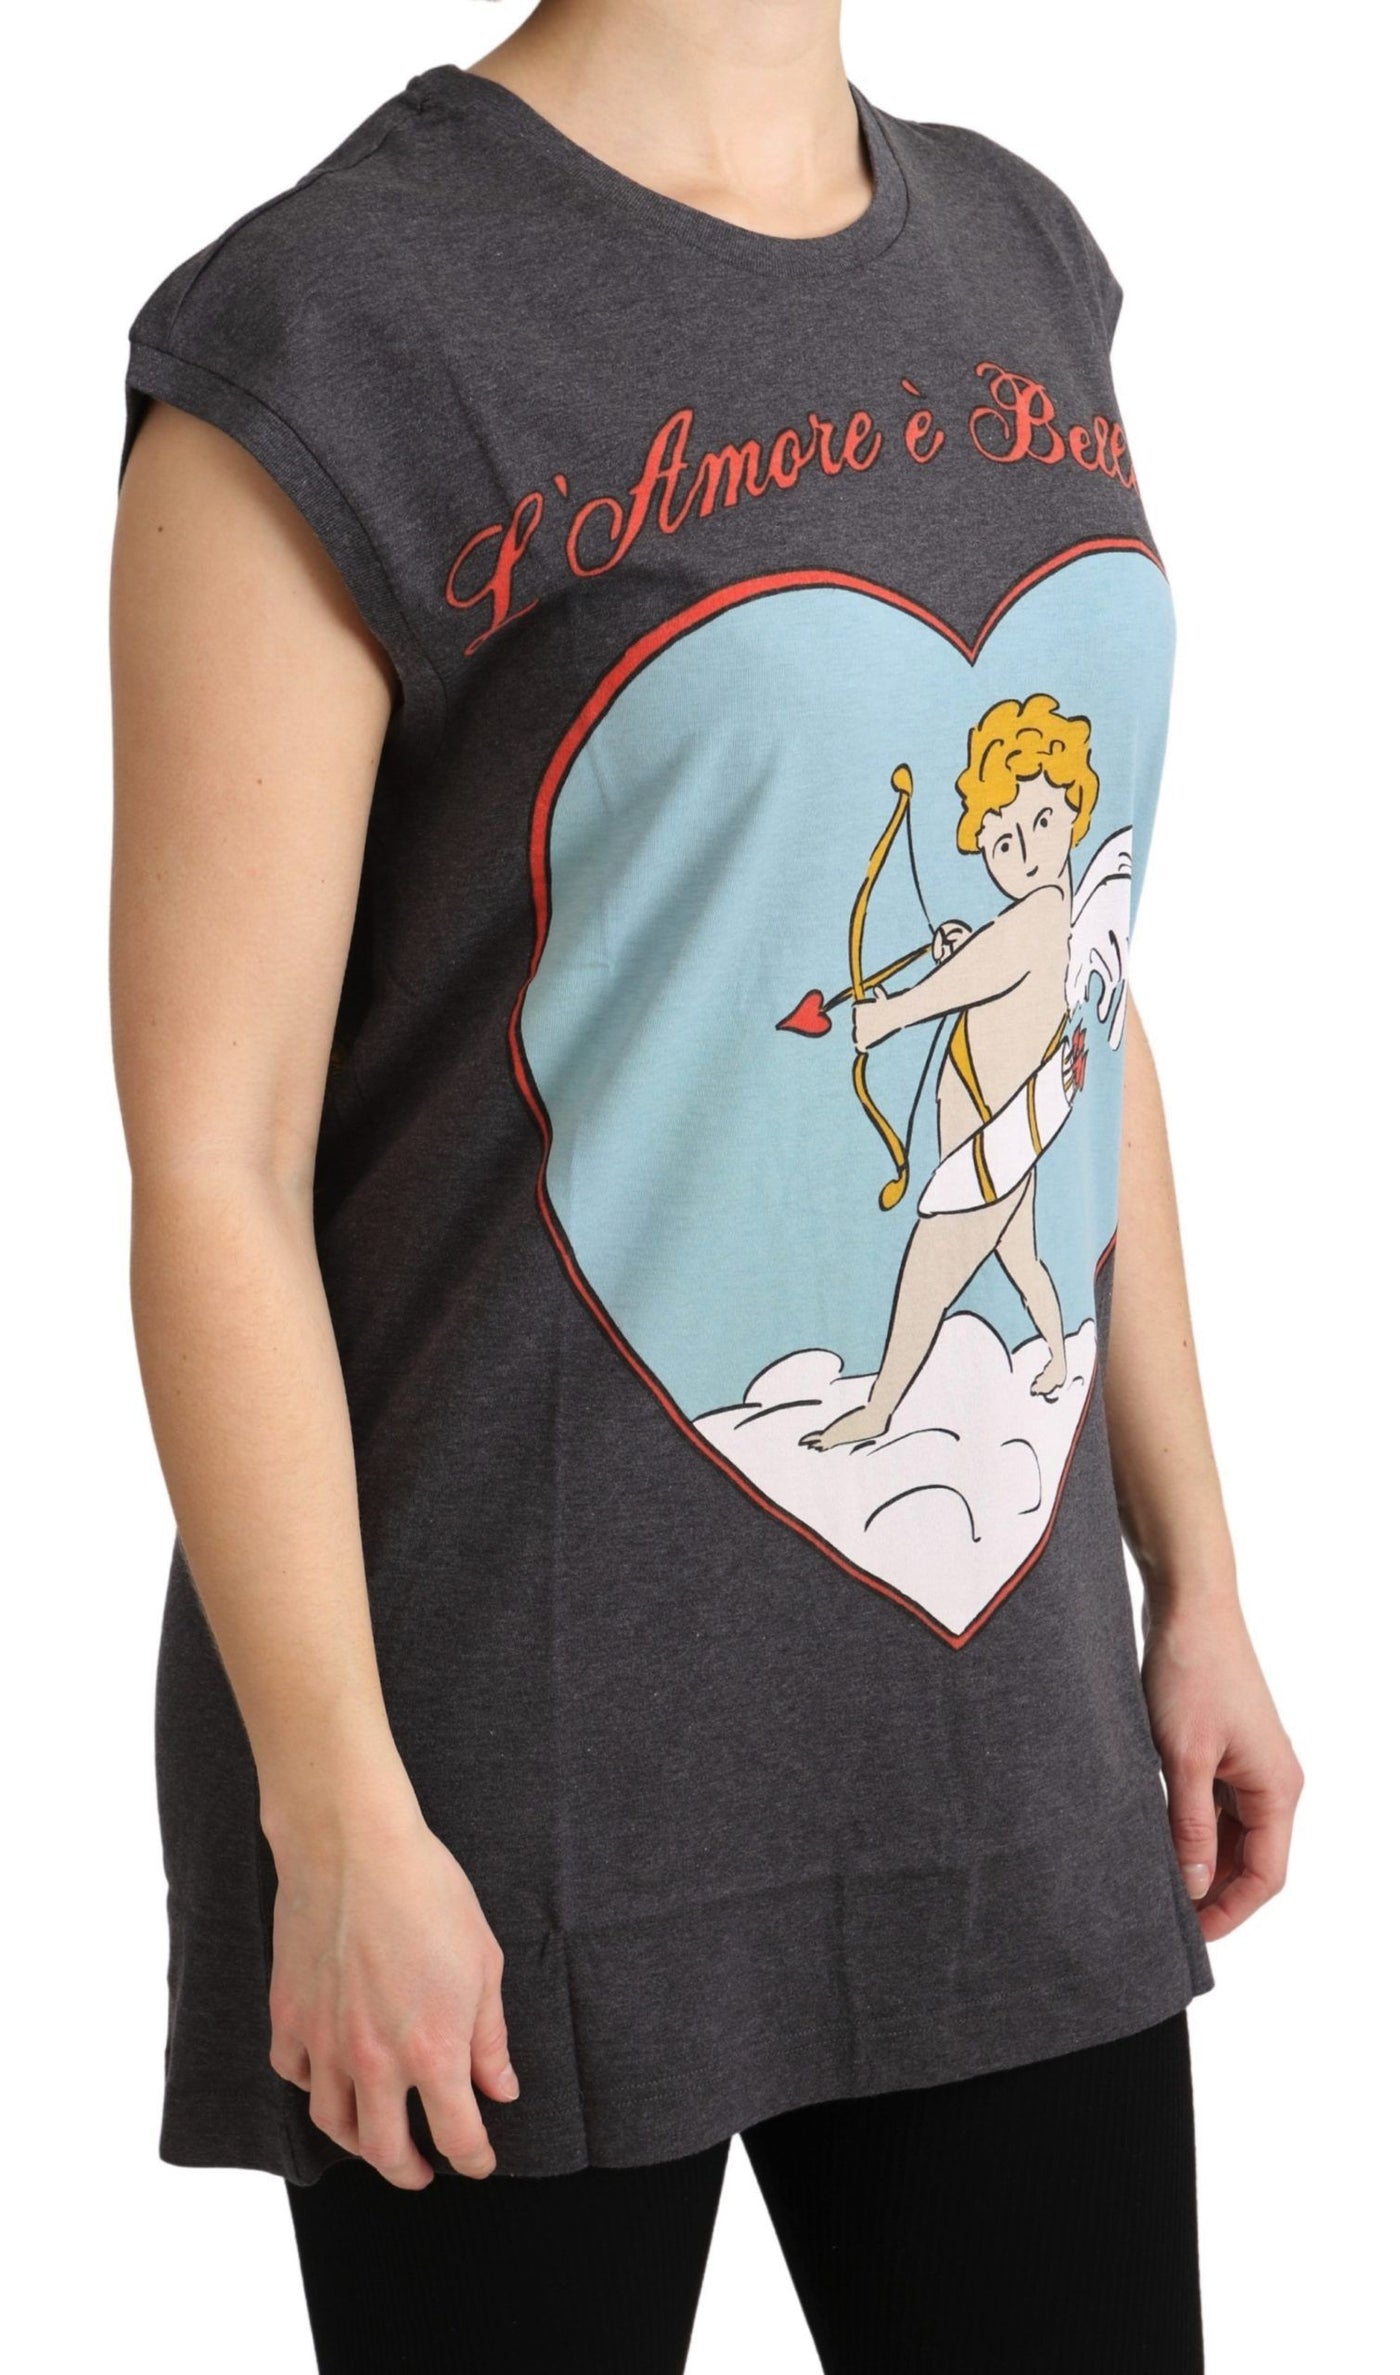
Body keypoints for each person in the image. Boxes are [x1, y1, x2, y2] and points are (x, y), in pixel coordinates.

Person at [109, 3, 1303, 2368]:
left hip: (995, 1733)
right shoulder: (336, 324)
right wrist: (332, 1819)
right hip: (507, 1778)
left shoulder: (1020, 259)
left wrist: (1196, 1584)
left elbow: (1093, 1007)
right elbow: (209, 1158)